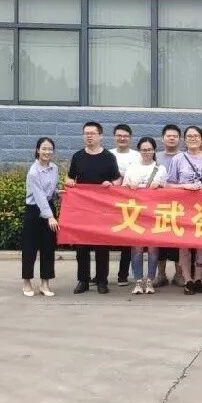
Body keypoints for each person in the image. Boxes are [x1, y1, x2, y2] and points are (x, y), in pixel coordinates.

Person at [66, 121, 120, 294]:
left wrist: (110, 184)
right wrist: (70, 183)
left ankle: (102, 281)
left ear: (100, 136)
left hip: (102, 210)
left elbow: (117, 180)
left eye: (92, 133)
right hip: (82, 209)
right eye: (86, 133)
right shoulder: (78, 156)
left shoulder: (109, 157)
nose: (89, 136)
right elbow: (70, 178)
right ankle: (83, 280)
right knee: (81, 247)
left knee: (102, 247)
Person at [166, 125, 202, 295]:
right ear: (184, 139)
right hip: (184, 209)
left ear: (201, 139)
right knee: (184, 246)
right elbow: (169, 184)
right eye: (189, 136)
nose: (193, 138)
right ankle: (188, 280)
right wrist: (185, 186)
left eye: (196, 136)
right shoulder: (178, 159)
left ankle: (198, 279)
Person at [122, 136, 167, 295]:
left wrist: (159, 185)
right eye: (143, 150)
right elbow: (122, 190)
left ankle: (150, 281)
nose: (146, 152)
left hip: (154, 214)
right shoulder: (132, 168)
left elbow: (167, 192)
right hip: (136, 213)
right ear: (139, 151)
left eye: (149, 149)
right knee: (137, 249)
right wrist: (129, 185)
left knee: (153, 249)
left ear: (154, 150)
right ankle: (138, 281)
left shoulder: (160, 168)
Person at [22, 137, 59, 297]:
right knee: (30, 248)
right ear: (37, 150)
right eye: (44, 149)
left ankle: (45, 284)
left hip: (49, 207)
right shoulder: (33, 171)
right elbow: (39, 196)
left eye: (50, 149)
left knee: (48, 248)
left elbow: (50, 191)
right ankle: (27, 283)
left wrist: (58, 194)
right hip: (34, 210)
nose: (47, 152)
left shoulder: (54, 168)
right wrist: (50, 217)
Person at [155, 124, 183, 288]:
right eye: (168, 135)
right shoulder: (155, 157)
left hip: (180, 207)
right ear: (163, 138)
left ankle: (179, 275)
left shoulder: (185, 157)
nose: (172, 138)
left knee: (180, 241)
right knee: (160, 241)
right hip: (158, 207)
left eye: (175, 136)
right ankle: (161, 275)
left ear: (179, 139)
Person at [110, 124, 136, 287]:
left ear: (130, 138)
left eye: (125, 136)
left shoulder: (137, 156)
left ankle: (123, 274)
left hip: (130, 203)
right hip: (109, 202)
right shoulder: (108, 154)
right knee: (103, 237)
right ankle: (100, 276)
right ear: (114, 137)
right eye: (119, 135)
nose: (122, 138)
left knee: (128, 239)